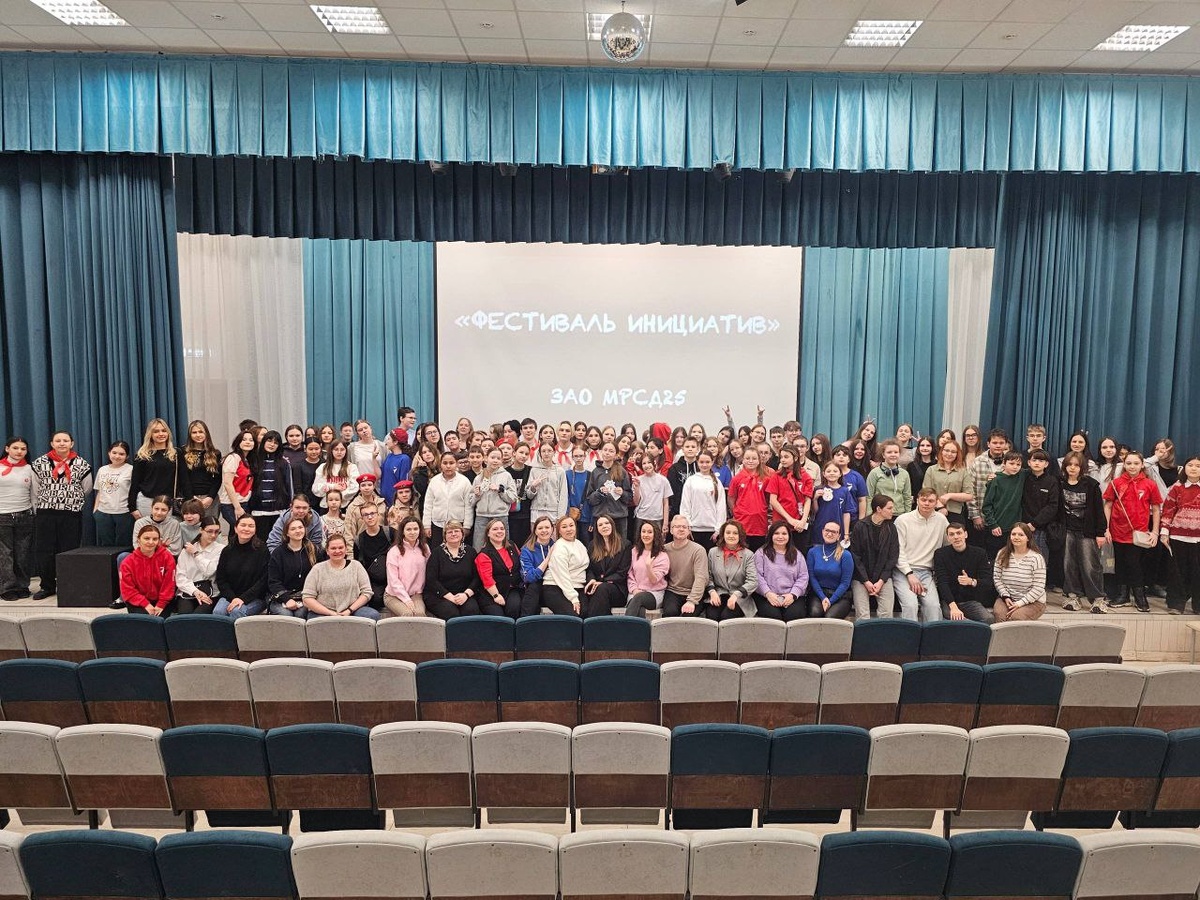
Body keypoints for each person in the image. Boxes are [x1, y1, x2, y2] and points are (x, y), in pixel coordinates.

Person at [30, 431, 93, 599]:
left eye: (66, 440)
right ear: (52, 443)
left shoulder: (82, 464)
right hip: (46, 513)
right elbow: (35, 489)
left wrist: (70, 501)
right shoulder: (39, 463)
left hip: (70, 514)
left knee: (69, 550)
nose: (62, 443)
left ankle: (68, 585)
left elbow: (86, 489)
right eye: (58, 440)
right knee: (45, 550)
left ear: (72, 443)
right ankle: (47, 586)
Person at [1104, 450, 1162, 613]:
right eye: (1129, 463)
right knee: (1120, 564)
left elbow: (1156, 509)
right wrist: (1106, 528)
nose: (1132, 466)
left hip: (1138, 534)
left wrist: (1155, 532)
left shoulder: (1150, 484)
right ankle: (1122, 596)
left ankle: (1139, 596)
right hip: (1117, 531)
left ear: (1142, 465)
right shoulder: (1115, 483)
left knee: (1134, 564)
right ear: (1124, 464)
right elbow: (1108, 506)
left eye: (1136, 463)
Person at [1058, 451, 1109, 613]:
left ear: (1082, 468)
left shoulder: (1091, 485)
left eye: (1076, 465)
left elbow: (1099, 510)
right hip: (1067, 530)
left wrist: (1100, 533)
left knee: (1090, 565)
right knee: (1069, 564)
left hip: (1087, 532)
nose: (1072, 468)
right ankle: (1073, 595)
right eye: (1069, 464)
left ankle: (1098, 599)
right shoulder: (1059, 483)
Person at [893, 488, 949, 621]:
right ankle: (909, 634)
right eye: (923, 500)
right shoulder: (903, 520)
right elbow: (898, 551)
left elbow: (947, 546)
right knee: (910, 605)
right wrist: (909, 574)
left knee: (933, 607)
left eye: (931, 501)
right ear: (917, 500)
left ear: (936, 503)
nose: (927, 503)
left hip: (927, 572)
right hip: (903, 571)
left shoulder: (942, 520)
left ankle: (932, 635)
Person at [302, 533, 378, 619]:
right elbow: (307, 598)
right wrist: (331, 613)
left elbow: (367, 592)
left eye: (341, 547)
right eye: (333, 548)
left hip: (353, 610)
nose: (337, 551)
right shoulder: (317, 569)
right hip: (324, 612)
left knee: (372, 615)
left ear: (346, 549)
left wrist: (349, 610)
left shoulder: (356, 566)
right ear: (327, 551)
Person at [933, 520, 995, 623]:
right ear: (948, 538)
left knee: (989, 618)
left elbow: (988, 582)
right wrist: (953, 607)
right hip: (949, 601)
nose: (956, 537)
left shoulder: (979, 553)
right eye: (952, 534)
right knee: (955, 618)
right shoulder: (941, 554)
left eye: (959, 533)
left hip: (970, 601)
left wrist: (971, 581)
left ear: (965, 534)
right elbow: (942, 583)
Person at [425, 520, 488, 619]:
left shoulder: (471, 552)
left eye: (456, 531)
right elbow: (431, 580)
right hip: (441, 595)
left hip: (464, 593)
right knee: (451, 612)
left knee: (471, 610)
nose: (453, 534)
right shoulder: (436, 553)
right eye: (450, 532)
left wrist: (466, 595)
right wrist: (450, 597)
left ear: (462, 534)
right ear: (445, 536)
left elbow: (477, 578)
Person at [850, 495, 899, 620]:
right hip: (861, 577)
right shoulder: (860, 526)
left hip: (883, 577)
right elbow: (855, 556)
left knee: (886, 614)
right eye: (889, 508)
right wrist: (866, 581)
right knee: (863, 615)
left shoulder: (891, 528)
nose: (892, 511)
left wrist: (881, 580)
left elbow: (893, 557)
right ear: (878, 509)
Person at [128, 419, 188, 519]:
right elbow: (135, 483)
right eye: (156, 431)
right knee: (149, 529)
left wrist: (189, 502)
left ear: (168, 433)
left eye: (164, 431)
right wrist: (132, 507)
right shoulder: (142, 455)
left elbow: (185, 480)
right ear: (150, 434)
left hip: (170, 502)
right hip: (147, 502)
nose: (161, 434)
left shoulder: (177, 454)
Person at [212, 515, 270, 619]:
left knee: (236, 611)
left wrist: (243, 599)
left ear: (255, 529)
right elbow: (221, 579)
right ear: (235, 528)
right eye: (243, 525)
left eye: (251, 526)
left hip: (255, 598)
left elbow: (263, 581)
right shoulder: (227, 551)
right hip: (231, 596)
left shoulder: (262, 550)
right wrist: (233, 598)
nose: (246, 529)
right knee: (218, 612)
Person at [1162, 456, 1200, 615]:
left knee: (1197, 572)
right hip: (1178, 537)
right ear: (1184, 468)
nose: (1194, 468)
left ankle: (1198, 606)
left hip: (1198, 538)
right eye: (1190, 465)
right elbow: (1168, 511)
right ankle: (1176, 605)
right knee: (1177, 572)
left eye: (1198, 466)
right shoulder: (1177, 487)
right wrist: (1164, 532)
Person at [0, 436, 36, 600]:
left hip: (24, 515)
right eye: (15, 448)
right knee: (5, 554)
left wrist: (34, 512)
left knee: (23, 553)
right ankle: (7, 587)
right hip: (3, 515)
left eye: (23, 449)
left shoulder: (29, 469)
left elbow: (33, 493)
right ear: (7, 449)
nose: (19, 451)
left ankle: (22, 585)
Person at [753, 520, 809, 621]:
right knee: (774, 617)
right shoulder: (761, 553)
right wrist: (768, 594)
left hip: (791, 595)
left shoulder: (797, 554)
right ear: (771, 535)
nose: (780, 536)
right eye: (776, 533)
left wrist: (793, 595)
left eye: (784, 533)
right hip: (767, 596)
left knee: (794, 615)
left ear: (789, 536)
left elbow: (803, 577)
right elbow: (757, 576)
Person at [992, 523, 1047, 622]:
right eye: (1013, 534)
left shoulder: (1036, 558)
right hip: (1007, 598)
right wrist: (1005, 596)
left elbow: (1038, 587)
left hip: (1033, 601)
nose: (1016, 537)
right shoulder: (1002, 554)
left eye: (1021, 535)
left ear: (1028, 538)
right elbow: (997, 578)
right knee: (1000, 615)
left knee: (1016, 617)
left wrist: (1020, 603)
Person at [704, 519, 757, 620]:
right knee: (712, 616)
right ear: (723, 535)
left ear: (740, 536)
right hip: (719, 593)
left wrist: (736, 595)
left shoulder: (748, 555)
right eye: (728, 532)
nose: (731, 536)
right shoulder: (713, 552)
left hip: (739, 597)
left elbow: (752, 581)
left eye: (735, 533)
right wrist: (712, 592)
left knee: (726, 617)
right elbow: (708, 576)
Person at [119, 524, 176, 616]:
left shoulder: (167, 557)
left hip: (163, 601)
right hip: (138, 601)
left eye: (155, 539)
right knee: (144, 621)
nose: (151, 542)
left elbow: (169, 584)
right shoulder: (127, 562)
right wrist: (145, 604)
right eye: (146, 538)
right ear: (138, 540)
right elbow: (127, 589)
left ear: (159, 541)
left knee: (160, 621)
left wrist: (161, 604)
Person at [267, 516, 318, 617]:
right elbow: (273, 581)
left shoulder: (313, 550)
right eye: (293, 529)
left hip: (305, 596)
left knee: (301, 613)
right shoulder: (278, 553)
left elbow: (319, 578)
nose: (298, 531)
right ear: (287, 533)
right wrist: (287, 599)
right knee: (286, 615)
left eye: (300, 527)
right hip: (280, 597)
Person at [659, 516, 710, 617]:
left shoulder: (698, 550)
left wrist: (692, 601)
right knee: (670, 613)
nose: (681, 529)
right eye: (677, 526)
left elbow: (701, 578)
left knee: (688, 616)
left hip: (693, 591)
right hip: (673, 591)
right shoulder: (665, 549)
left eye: (684, 527)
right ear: (671, 530)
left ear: (689, 530)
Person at [583, 514, 632, 618]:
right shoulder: (592, 545)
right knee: (589, 594)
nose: (604, 526)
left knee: (601, 590)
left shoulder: (625, 545)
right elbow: (589, 569)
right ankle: (602, 623)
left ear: (612, 525)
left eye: (607, 523)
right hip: (596, 587)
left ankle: (592, 623)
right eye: (600, 525)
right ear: (597, 529)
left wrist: (602, 582)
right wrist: (592, 580)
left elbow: (622, 573)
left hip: (617, 589)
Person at [982, 452, 1027, 560]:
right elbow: (986, 506)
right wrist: (993, 524)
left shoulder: (1022, 475)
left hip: (1014, 528)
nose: (1015, 467)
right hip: (997, 527)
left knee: (1012, 558)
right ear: (1004, 463)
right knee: (996, 558)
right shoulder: (996, 480)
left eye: (1018, 464)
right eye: (1011, 463)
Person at [470, 448, 518, 550]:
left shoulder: (506, 476)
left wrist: (500, 490)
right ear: (486, 458)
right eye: (492, 457)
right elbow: (471, 501)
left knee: (502, 547)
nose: (495, 460)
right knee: (479, 547)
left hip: (500, 516)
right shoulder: (479, 477)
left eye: (498, 458)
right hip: (481, 517)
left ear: (501, 460)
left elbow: (513, 497)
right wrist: (477, 495)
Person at [541, 515, 590, 616]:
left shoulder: (580, 544)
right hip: (555, 587)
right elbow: (562, 576)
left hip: (576, 586)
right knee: (573, 616)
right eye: (564, 527)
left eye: (571, 525)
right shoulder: (559, 547)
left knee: (586, 613)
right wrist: (573, 598)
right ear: (559, 531)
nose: (569, 529)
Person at [422, 452, 474, 545]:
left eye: (451, 463)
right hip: (437, 524)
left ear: (456, 464)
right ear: (440, 464)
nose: (448, 466)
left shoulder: (464, 481)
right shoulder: (434, 481)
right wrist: (426, 525)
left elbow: (468, 505)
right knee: (437, 550)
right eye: (445, 463)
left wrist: (467, 525)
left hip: (457, 524)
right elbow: (428, 504)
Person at [249, 430, 293, 541]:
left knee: (278, 541)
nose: (272, 444)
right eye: (269, 441)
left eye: (276, 442)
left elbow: (289, 486)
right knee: (260, 542)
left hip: (278, 510)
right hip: (259, 510)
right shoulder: (254, 461)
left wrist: (290, 505)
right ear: (263, 441)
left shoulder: (284, 463)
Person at [174, 515, 223, 615]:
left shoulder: (221, 549)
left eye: (216, 532)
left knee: (198, 616)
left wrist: (196, 553)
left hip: (210, 593)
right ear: (201, 530)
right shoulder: (187, 549)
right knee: (184, 615)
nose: (213, 535)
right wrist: (195, 591)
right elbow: (180, 577)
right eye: (209, 531)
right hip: (188, 591)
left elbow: (209, 571)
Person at [475, 518, 524, 618]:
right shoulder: (484, 554)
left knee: (513, 609)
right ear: (488, 533)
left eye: (502, 529)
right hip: (490, 593)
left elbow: (521, 564)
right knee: (499, 617)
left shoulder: (512, 545)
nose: (499, 531)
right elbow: (487, 579)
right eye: (495, 529)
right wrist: (496, 595)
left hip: (512, 589)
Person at [969, 429, 1010, 544]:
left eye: (1001, 443)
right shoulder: (977, 462)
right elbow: (970, 490)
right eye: (995, 443)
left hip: (1003, 516)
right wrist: (975, 515)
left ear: (1006, 444)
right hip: (982, 516)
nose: (998, 445)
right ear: (988, 444)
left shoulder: (1011, 462)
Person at [766, 446, 813, 546]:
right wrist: (789, 519)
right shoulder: (776, 476)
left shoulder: (805, 476)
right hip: (781, 523)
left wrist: (803, 521)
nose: (782, 460)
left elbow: (808, 500)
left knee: (799, 551)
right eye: (781, 457)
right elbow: (773, 500)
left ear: (795, 458)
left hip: (799, 524)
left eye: (786, 457)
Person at [805, 521, 854, 618]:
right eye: (827, 530)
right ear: (822, 531)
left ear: (839, 536)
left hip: (840, 596)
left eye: (834, 532)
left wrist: (830, 601)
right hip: (818, 594)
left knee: (830, 617)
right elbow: (812, 577)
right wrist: (823, 598)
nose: (830, 534)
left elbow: (845, 583)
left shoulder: (846, 555)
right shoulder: (812, 552)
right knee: (815, 613)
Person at [384, 515, 429, 618]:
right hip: (393, 595)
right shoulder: (394, 551)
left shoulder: (425, 548)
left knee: (419, 614)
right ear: (403, 531)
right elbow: (393, 580)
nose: (412, 532)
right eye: (408, 529)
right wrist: (406, 599)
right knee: (407, 614)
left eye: (415, 529)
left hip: (416, 594)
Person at [728, 446, 771, 550]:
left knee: (758, 552)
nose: (750, 461)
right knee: (742, 552)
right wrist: (737, 512)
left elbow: (768, 498)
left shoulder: (766, 478)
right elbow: (731, 498)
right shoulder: (736, 479)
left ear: (759, 461)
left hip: (760, 523)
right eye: (747, 458)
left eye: (754, 458)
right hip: (742, 522)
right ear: (743, 460)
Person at [923, 439, 973, 527]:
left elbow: (969, 495)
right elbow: (926, 492)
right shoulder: (931, 470)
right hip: (934, 512)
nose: (949, 454)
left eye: (953, 452)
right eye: (946, 450)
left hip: (956, 514)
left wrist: (950, 495)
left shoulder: (963, 471)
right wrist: (940, 507)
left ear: (957, 454)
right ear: (942, 451)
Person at [625, 521, 670, 618]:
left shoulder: (662, 556)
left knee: (638, 599)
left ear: (655, 535)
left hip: (654, 593)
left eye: (649, 532)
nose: (646, 535)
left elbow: (654, 580)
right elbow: (630, 574)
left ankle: (625, 625)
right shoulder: (634, 552)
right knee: (639, 608)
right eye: (643, 531)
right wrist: (634, 589)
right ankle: (640, 628)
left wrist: (649, 566)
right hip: (635, 592)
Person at [1021, 450, 1061, 558]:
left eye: (1041, 461)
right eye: (1034, 460)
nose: (1037, 463)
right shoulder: (1023, 478)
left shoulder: (1052, 481)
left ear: (1046, 464)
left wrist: (1035, 523)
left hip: (1042, 528)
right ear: (1029, 462)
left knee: (1040, 559)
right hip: (1023, 526)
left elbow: (1052, 506)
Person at [353, 504, 392, 612]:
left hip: (393, 577)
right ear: (362, 518)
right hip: (374, 581)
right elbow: (358, 565)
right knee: (375, 599)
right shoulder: (359, 540)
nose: (370, 517)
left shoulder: (390, 533)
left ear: (378, 514)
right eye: (366, 515)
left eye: (372, 513)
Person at [520, 515, 557, 618]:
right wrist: (548, 558)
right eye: (540, 528)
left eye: (547, 527)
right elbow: (529, 577)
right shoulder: (526, 550)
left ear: (552, 529)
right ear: (535, 531)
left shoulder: (558, 546)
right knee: (533, 588)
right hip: (535, 586)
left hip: (553, 584)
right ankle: (525, 623)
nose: (544, 530)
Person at [219, 430, 256, 529]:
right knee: (241, 530)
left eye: (251, 440)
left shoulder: (248, 459)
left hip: (244, 501)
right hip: (231, 504)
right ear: (238, 442)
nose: (248, 442)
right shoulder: (233, 458)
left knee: (235, 532)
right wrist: (237, 507)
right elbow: (227, 484)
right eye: (244, 440)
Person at [182, 420, 222, 511]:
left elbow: (218, 479)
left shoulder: (215, 453)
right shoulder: (183, 452)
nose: (198, 435)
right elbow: (183, 478)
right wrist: (191, 497)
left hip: (209, 499)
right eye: (194, 432)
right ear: (190, 435)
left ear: (206, 433)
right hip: (190, 498)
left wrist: (210, 497)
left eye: (201, 432)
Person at [866, 440, 913, 515]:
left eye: (896, 452)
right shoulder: (874, 473)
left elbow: (907, 497)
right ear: (883, 455)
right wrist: (869, 516)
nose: (893, 455)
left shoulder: (904, 474)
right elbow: (869, 497)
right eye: (889, 452)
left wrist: (907, 515)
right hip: (880, 514)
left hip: (899, 514)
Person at [811, 461, 854, 542]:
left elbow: (846, 513)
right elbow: (815, 511)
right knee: (819, 547)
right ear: (824, 474)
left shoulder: (844, 491)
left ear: (840, 474)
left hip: (838, 529)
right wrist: (815, 499)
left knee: (836, 549)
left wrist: (846, 533)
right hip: (820, 527)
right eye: (828, 471)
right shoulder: (819, 489)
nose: (832, 473)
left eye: (835, 471)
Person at [527, 442, 569, 524]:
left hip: (553, 512)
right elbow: (529, 495)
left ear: (554, 452)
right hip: (536, 511)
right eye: (543, 451)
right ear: (540, 453)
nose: (546, 454)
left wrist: (560, 516)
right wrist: (533, 487)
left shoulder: (560, 471)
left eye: (549, 451)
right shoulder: (534, 470)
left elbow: (563, 495)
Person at [311, 440, 360, 510]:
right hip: (326, 506)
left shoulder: (352, 467)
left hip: (345, 506)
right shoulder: (323, 467)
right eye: (336, 449)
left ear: (346, 451)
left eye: (342, 449)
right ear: (331, 451)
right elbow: (316, 488)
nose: (339, 452)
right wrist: (332, 487)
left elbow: (355, 487)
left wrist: (339, 497)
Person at [634, 452, 674, 534]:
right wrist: (637, 487)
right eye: (644, 463)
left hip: (657, 518)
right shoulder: (638, 480)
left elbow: (666, 503)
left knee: (657, 541)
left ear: (654, 463)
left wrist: (665, 523)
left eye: (649, 462)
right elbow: (636, 502)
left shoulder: (663, 480)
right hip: (641, 516)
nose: (647, 465)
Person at [344, 474, 389, 546]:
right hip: (363, 546)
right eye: (363, 485)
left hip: (382, 545)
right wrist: (351, 551)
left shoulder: (382, 504)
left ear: (374, 487)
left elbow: (387, 525)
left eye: (369, 485)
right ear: (359, 488)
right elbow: (349, 532)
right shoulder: (353, 507)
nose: (366, 488)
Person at [505, 441, 533, 548]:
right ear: (514, 453)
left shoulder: (530, 470)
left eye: (526, 454)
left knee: (525, 544)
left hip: (526, 514)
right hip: (510, 514)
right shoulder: (506, 472)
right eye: (521, 452)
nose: (523, 456)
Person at [666, 438, 700, 519]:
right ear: (682, 449)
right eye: (687, 447)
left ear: (698, 449)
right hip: (678, 510)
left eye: (693, 447)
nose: (690, 449)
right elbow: (672, 491)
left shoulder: (701, 467)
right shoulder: (674, 468)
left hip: (698, 510)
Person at [380, 429, 413, 506]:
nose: (386, 442)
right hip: (385, 501)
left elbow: (403, 482)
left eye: (388, 439)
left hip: (396, 503)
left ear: (395, 442)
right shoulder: (389, 456)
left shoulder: (404, 459)